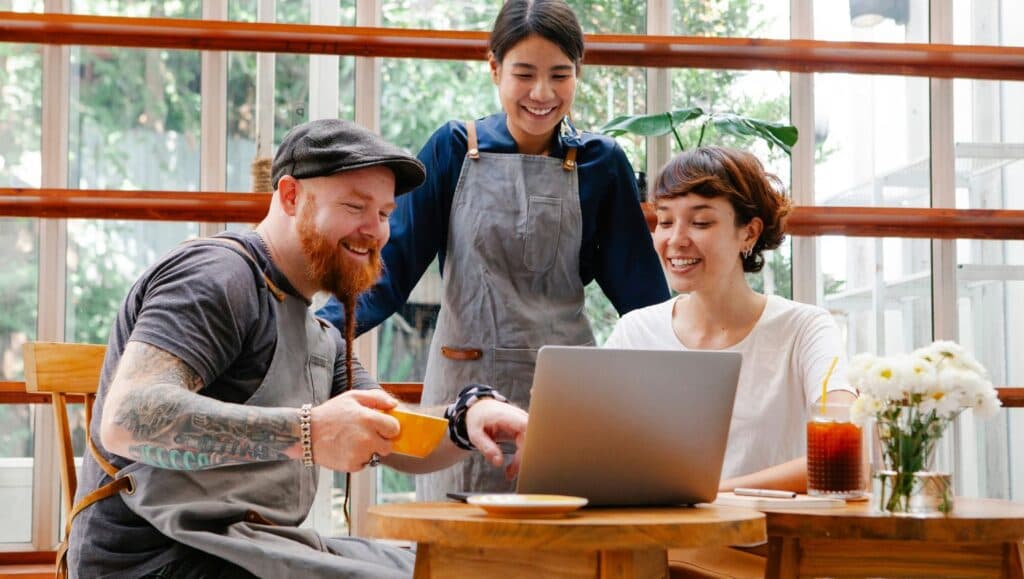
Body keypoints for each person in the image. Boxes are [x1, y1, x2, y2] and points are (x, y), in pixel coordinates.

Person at [66, 119, 528, 579]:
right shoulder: (217, 276)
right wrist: (310, 432)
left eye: (385, 214)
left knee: (448, 568)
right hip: (151, 560)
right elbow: (128, 419)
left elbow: (393, 434)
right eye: (355, 206)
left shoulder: (319, 332)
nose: (375, 231)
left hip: (249, 547)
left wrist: (466, 419)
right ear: (290, 196)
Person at [318, 0, 669, 501]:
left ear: (578, 73)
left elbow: (643, 302)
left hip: (565, 396)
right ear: (494, 69)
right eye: (524, 74)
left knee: (564, 536)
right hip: (463, 396)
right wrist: (316, 331)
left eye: (560, 75)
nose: (542, 93)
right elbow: (388, 274)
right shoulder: (452, 149)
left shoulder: (602, 163)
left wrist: (685, 386)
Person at [604, 146, 856, 493]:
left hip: (767, 526)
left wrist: (709, 496)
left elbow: (847, 455)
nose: (676, 240)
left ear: (749, 233)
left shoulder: (805, 329)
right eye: (665, 221)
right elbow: (592, 449)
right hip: (659, 526)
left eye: (700, 222)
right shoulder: (635, 331)